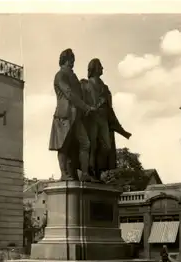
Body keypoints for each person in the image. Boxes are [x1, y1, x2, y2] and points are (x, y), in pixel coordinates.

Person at [48, 49, 96, 182]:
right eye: (71, 59)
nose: (73, 62)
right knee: (63, 146)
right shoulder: (60, 75)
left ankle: (85, 174)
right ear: (66, 60)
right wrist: (85, 107)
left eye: (73, 59)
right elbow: (69, 93)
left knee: (85, 143)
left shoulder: (72, 76)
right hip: (65, 115)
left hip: (76, 115)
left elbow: (78, 93)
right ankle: (63, 174)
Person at [80, 58, 132, 181]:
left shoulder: (105, 87)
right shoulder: (85, 84)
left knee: (106, 147)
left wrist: (121, 129)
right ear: (94, 68)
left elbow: (110, 109)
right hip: (91, 119)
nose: (102, 68)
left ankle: (98, 171)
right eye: (100, 66)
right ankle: (90, 173)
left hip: (103, 120)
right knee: (92, 146)